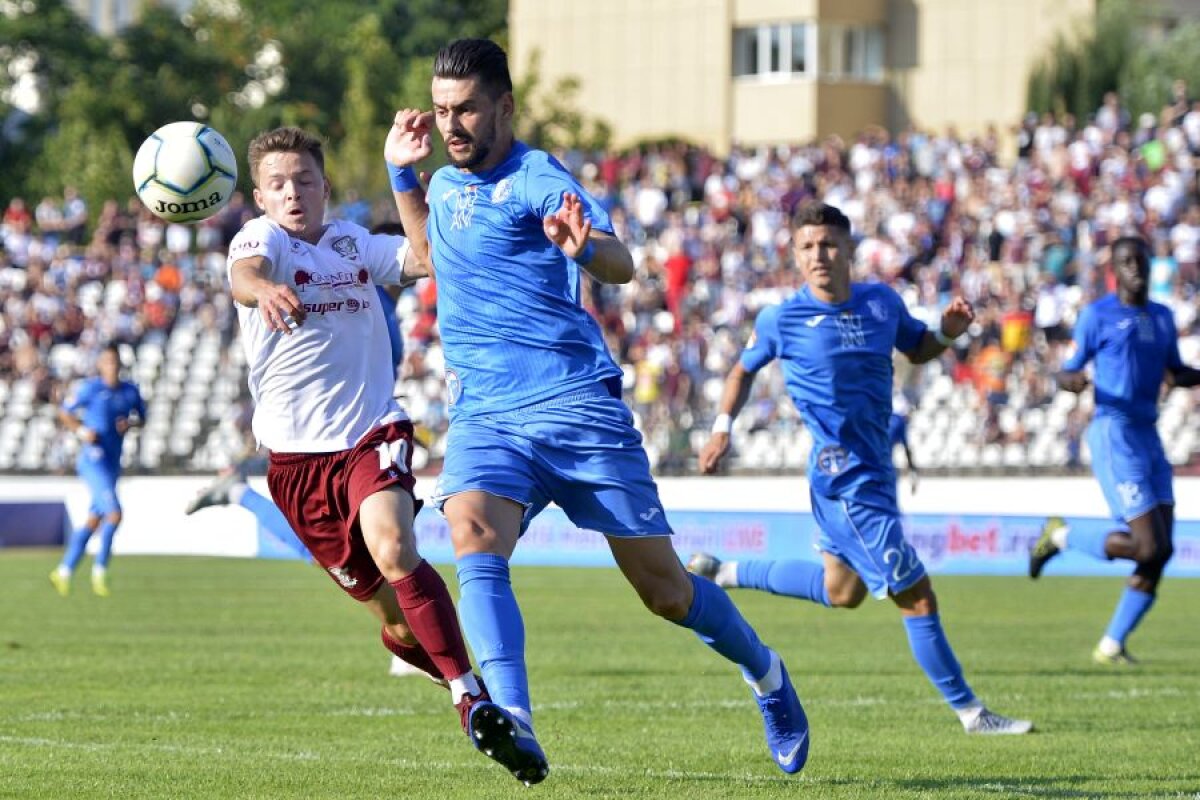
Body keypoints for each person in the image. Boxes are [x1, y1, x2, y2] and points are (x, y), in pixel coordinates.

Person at [382, 38, 809, 785]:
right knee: (472, 536)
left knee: (666, 593)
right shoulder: (444, 184)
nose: (452, 124)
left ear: (505, 107)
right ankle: (515, 719)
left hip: (576, 407)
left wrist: (585, 251)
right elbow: (432, 254)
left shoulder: (537, 177)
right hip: (486, 413)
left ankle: (767, 672)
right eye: (443, 110)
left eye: (467, 109)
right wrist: (401, 176)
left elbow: (620, 261)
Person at [689, 202, 1032, 736]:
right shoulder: (782, 319)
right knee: (916, 595)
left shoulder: (881, 303)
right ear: (795, 255)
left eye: (828, 244)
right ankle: (971, 713)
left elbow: (918, 348)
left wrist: (946, 334)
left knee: (841, 590)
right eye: (807, 247)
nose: (819, 255)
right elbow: (741, 371)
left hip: (876, 469)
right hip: (844, 477)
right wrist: (721, 428)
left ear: (849, 249)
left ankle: (724, 572)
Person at [223, 125, 490, 743]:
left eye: (305, 180)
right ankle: (467, 685)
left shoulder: (352, 243)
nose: (293, 193)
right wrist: (263, 288)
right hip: (297, 465)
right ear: (260, 198)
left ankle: (471, 698)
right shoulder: (261, 239)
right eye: (277, 184)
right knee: (396, 622)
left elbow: (425, 258)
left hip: (371, 432)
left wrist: (403, 176)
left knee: (395, 549)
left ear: (326, 186)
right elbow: (244, 274)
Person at [187, 218, 426, 678]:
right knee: (344, 548)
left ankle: (428, 649)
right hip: (320, 440)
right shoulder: (366, 294)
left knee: (386, 541)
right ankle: (240, 495)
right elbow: (247, 278)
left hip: (354, 433)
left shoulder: (373, 302)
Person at [1029, 236, 1199, 664]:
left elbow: (1175, 371)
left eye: (1141, 261)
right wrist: (1071, 382)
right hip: (1114, 433)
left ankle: (1111, 646)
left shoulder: (1161, 317)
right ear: (1114, 271)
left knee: (1161, 551)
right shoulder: (1097, 315)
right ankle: (1062, 536)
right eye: (1126, 262)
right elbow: (1067, 370)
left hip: (1149, 435)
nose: (1135, 268)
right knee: (1147, 546)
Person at [50, 344, 145, 597]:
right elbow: (64, 412)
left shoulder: (130, 391)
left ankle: (63, 572)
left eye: (115, 362)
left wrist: (130, 424)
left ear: (120, 364)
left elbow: (142, 418)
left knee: (94, 520)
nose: (111, 366)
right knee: (114, 514)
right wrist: (82, 431)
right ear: (100, 365)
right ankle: (100, 571)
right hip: (93, 461)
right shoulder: (90, 389)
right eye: (107, 362)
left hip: (112, 463)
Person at [889, 393, 919, 495]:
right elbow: (907, 449)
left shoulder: (884, 418)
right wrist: (913, 471)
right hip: (883, 462)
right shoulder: (899, 422)